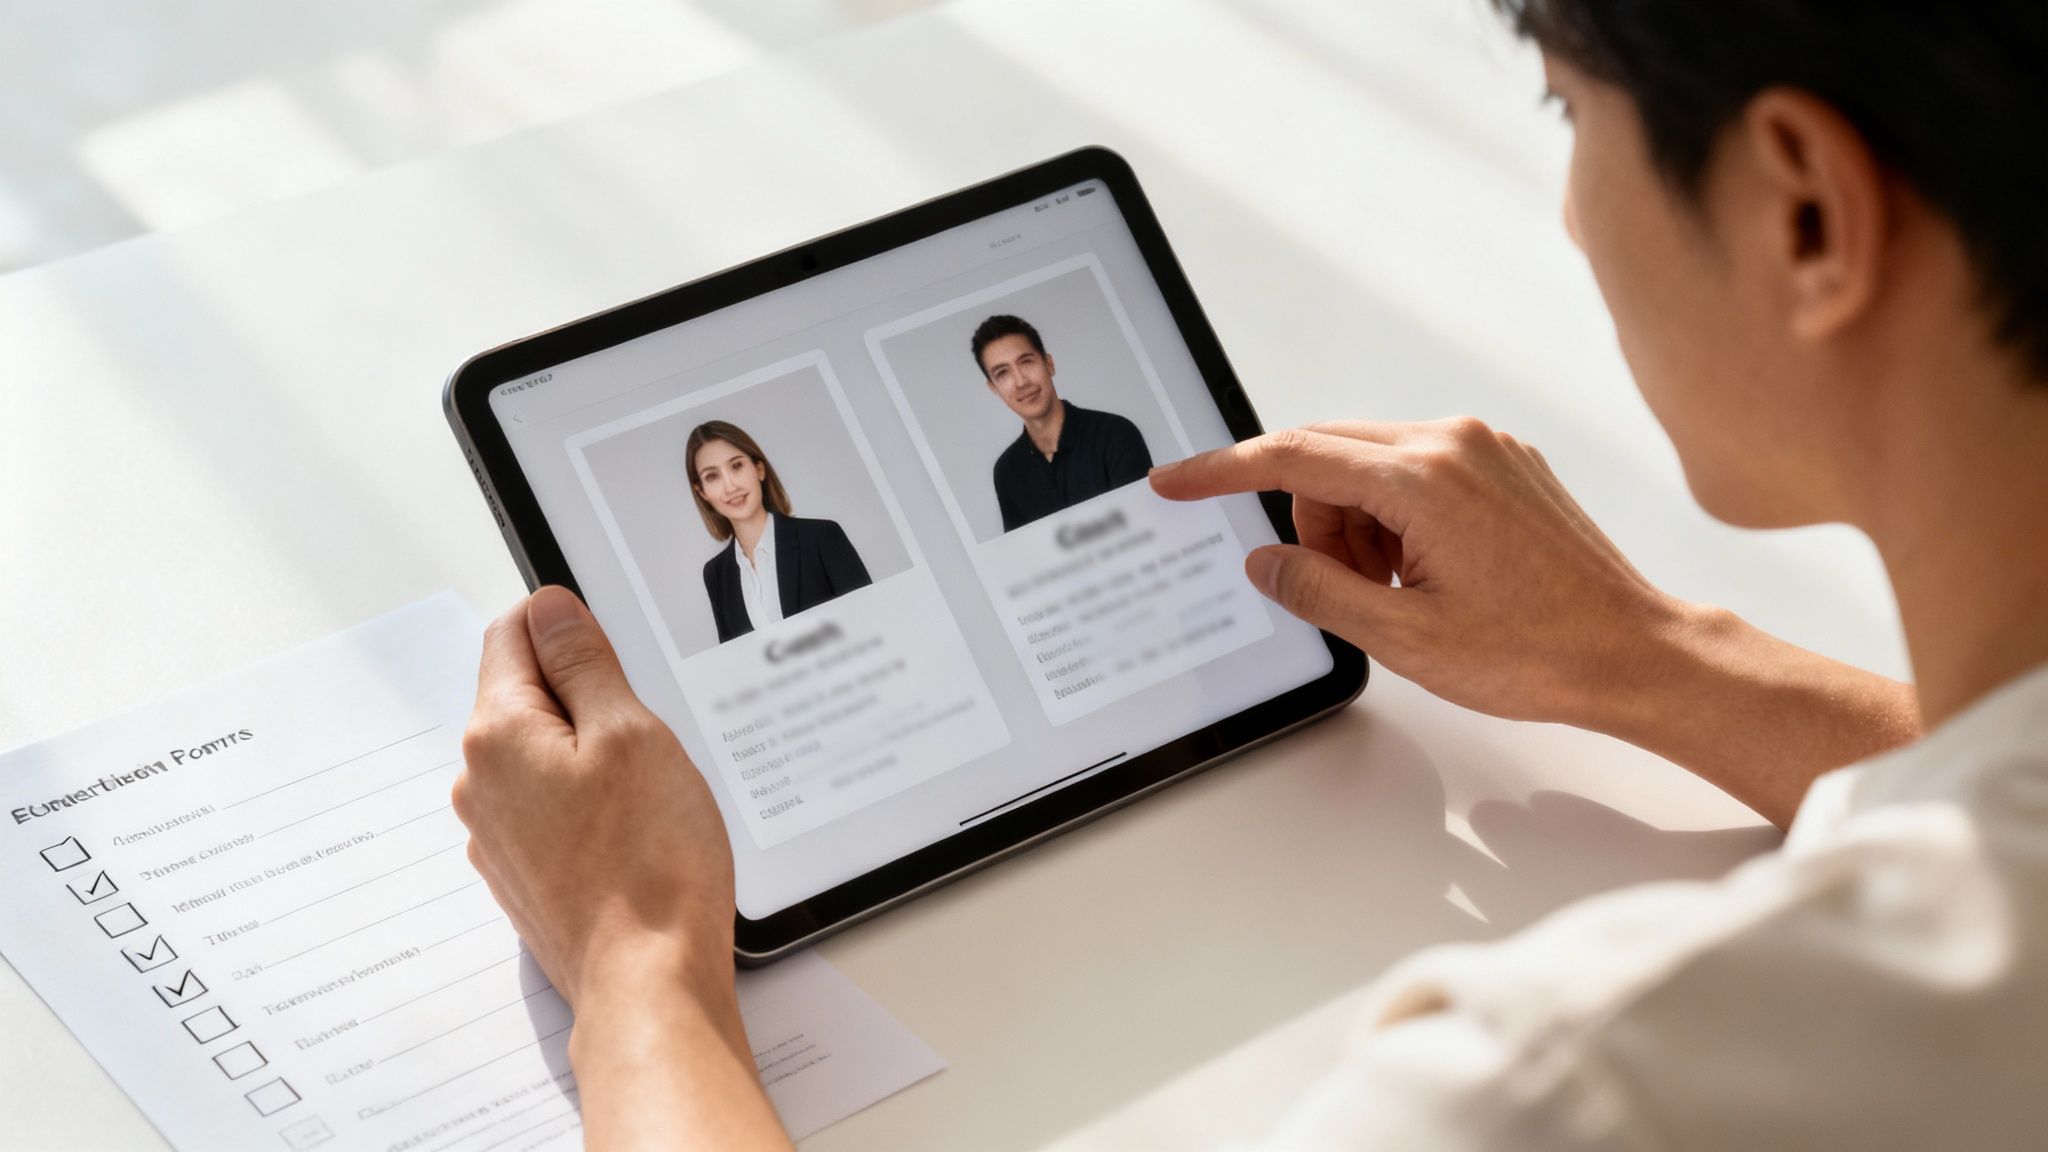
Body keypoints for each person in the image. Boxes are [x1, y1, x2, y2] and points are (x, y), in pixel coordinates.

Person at [449, 1, 2046, 1147]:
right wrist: (1647, 654)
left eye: (1569, 109)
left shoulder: (1576, 1088)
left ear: (1807, 211)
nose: (1567, 211)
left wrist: (636, 956)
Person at [686, 420, 871, 644]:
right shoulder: (716, 574)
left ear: (759, 469)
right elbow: (736, 662)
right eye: (712, 476)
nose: (730, 486)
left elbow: (870, 625)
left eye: (736, 466)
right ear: (702, 492)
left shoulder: (821, 537)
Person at [975, 313, 1154, 532]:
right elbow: (1026, 559)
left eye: (1026, 362)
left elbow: (1143, 532)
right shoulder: (1007, 470)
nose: (1021, 381)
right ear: (995, 389)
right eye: (1003, 373)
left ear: (1049, 364)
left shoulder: (1116, 434)